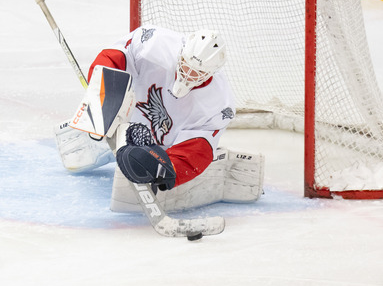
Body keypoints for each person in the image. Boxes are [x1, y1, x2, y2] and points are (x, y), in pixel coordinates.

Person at [55, 26, 263, 213]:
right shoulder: (153, 44)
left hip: (163, 148)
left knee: (139, 173)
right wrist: (103, 88)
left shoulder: (219, 101)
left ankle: (145, 159)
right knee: (75, 153)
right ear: (182, 51)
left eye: (198, 73)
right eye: (186, 65)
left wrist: (165, 167)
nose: (189, 74)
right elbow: (116, 55)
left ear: (212, 72)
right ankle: (112, 143)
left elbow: (200, 145)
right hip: (123, 122)